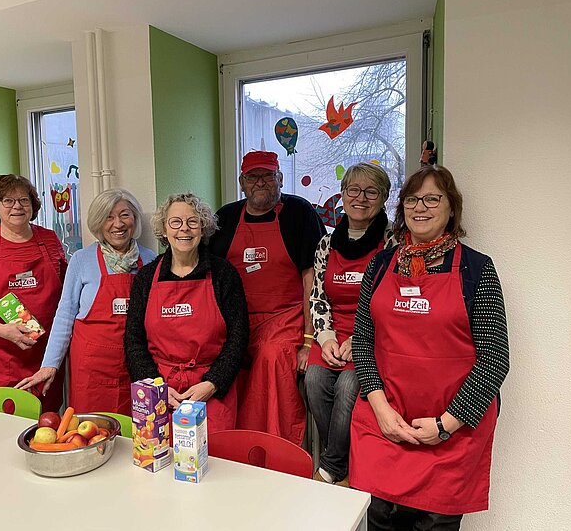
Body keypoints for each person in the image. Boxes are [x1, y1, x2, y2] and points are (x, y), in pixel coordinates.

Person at [349, 165, 510, 530]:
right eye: (411, 199)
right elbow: (363, 340)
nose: (419, 207)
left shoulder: (476, 270)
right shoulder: (380, 264)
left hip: (451, 431)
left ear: (451, 207)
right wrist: (381, 409)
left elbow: (495, 359)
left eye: (432, 198)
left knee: (434, 523)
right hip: (384, 420)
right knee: (378, 518)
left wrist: (445, 424)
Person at [208, 150, 325, 445]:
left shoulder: (299, 213)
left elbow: (312, 279)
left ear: (280, 179)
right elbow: (210, 278)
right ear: (242, 182)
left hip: (285, 318)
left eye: (267, 175)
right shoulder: (226, 217)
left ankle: (274, 448)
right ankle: (226, 446)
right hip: (237, 319)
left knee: (271, 357)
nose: (260, 182)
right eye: (252, 176)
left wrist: (309, 342)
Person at [15, 189, 155, 415]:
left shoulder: (150, 260)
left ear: (135, 219)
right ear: (99, 222)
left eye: (125, 215)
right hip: (92, 369)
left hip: (137, 366)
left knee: (138, 432)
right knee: (89, 431)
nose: (117, 224)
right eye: (109, 217)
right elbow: (65, 315)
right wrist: (49, 365)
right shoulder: (82, 260)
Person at [124, 192, 248, 433]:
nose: (184, 230)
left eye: (193, 222)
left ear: (203, 228)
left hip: (210, 391)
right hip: (159, 390)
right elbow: (133, 340)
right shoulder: (146, 278)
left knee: (215, 463)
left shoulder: (224, 274)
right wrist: (156, 385)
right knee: (159, 460)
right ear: (164, 229)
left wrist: (212, 383)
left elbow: (238, 337)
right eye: (176, 222)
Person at [306, 162, 395, 486]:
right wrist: (326, 337)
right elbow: (317, 297)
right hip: (333, 332)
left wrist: (360, 339)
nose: (361, 197)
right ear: (342, 195)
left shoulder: (392, 243)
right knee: (314, 380)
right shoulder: (326, 245)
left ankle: (331, 467)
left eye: (371, 191)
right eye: (353, 190)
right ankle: (342, 463)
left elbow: (390, 302)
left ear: (383, 198)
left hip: (371, 334)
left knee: (347, 386)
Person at [0, 174, 67, 412]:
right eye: (8, 200)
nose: (17, 206)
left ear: (32, 205)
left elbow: (67, 293)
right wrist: (3, 330)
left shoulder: (49, 240)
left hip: (44, 356)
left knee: (46, 426)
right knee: (0, 426)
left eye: (24, 200)